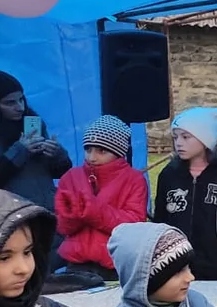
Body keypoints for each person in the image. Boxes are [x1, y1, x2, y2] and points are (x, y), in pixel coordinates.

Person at [153, 106, 217, 282]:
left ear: (205, 138)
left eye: (185, 137)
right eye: (175, 137)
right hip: (178, 269)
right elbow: (160, 221)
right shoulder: (169, 175)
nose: (179, 143)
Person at [53, 115, 148, 280]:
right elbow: (62, 227)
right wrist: (71, 216)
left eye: (101, 151)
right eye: (88, 149)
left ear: (118, 152)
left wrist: (94, 211)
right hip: (76, 263)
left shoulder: (133, 180)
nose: (92, 157)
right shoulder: (71, 177)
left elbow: (134, 224)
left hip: (116, 264)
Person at [0, 72, 71, 211]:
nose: (20, 107)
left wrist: (56, 154)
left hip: (48, 210)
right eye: (10, 103)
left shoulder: (32, 123)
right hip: (14, 215)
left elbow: (59, 172)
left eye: (21, 99)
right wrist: (20, 150)